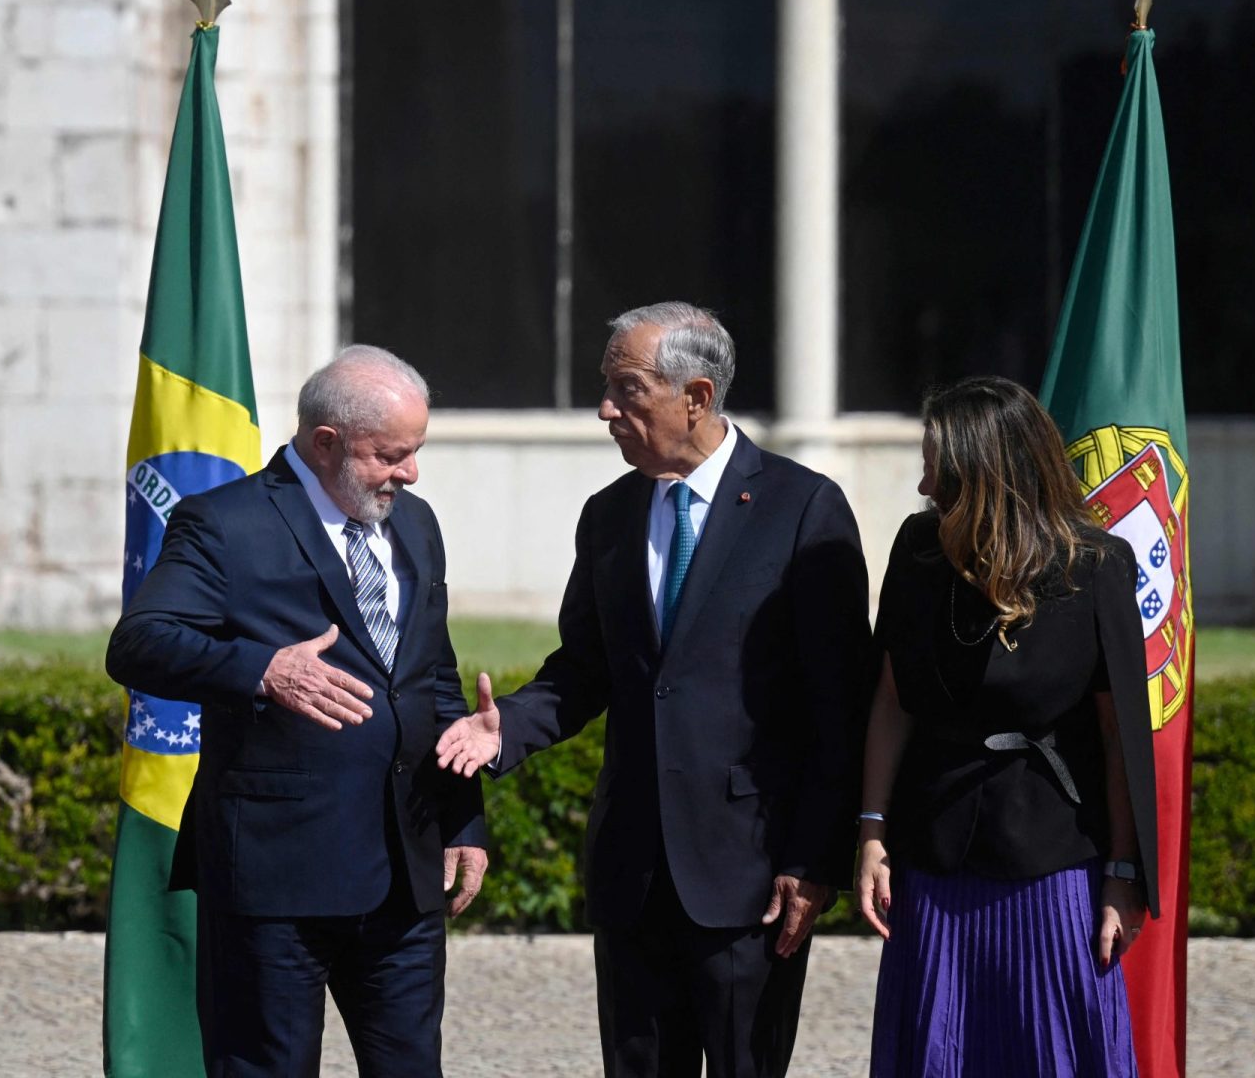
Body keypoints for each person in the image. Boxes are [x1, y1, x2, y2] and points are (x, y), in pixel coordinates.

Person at [436, 302, 875, 1078]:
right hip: (633, 873)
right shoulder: (609, 515)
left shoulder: (802, 509)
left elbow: (840, 706)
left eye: (627, 389)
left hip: (750, 878)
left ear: (696, 397)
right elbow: (585, 669)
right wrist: (507, 730)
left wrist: (815, 859)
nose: (606, 408)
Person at [107, 345, 486, 1078]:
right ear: (326, 444)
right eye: (391, 455)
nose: (410, 473)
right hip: (275, 878)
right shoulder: (224, 523)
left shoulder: (416, 524)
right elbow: (140, 644)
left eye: (415, 452)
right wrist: (261, 669)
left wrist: (462, 817)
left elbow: (434, 681)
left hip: (405, 879)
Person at [853, 375, 1158, 1077]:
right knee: (938, 1049)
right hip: (934, 855)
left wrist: (1121, 875)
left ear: (984, 475)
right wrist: (871, 832)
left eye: (939, 468)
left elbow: (1120, 738)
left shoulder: (1096, 566)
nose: (926, 486)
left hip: (1054, 864)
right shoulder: (918, 550)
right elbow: (892, 700)